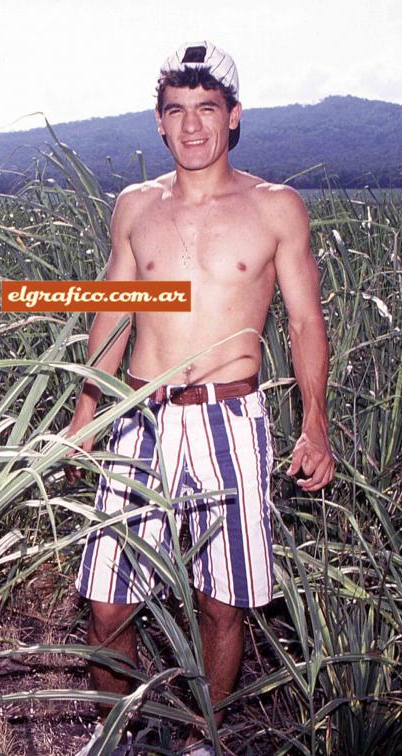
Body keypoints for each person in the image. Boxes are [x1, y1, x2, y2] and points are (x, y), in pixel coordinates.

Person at [67, 41, 335, 754]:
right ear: (159, 122)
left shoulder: (275, 207)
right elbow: (112, 314)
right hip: (140, 419)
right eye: (176, 111)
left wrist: (315, 423)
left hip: (231, 421)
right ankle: (115, 735)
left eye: (206, 110)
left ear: (233, 117)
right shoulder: (135, 207)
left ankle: (205, 742)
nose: (191, 127)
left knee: (224, 604)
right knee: (105, 603)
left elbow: (307, 321)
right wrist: (86, 417)